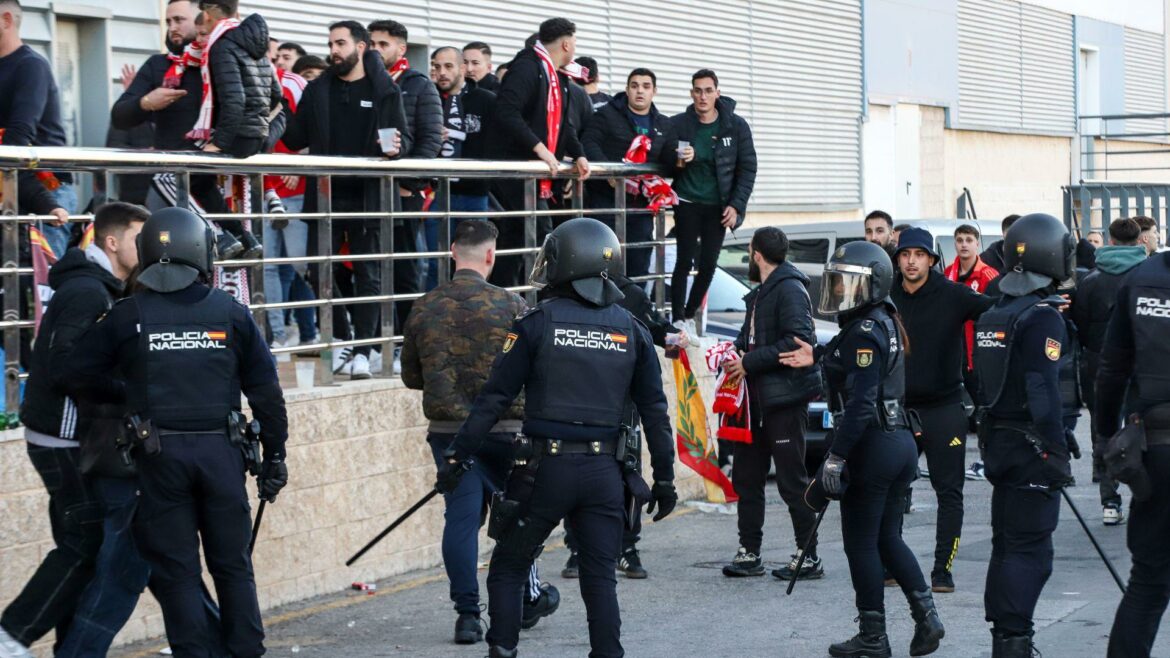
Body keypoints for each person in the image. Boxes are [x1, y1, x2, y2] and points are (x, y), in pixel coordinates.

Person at [441, 218, 678, 658]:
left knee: (509, 568)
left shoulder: (535, 323)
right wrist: (664, 479)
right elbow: (655, 413)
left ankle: (504, 650)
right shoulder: (633, 330)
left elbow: (493, 400)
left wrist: (456, 456)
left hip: (543, 472)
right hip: (607, 474)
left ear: (566, 262)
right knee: (599, 578)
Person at [58, 207, 288, 658]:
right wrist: (275, 455)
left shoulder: (128, 316)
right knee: (233, 567)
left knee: (178, 571)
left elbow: (74, 372)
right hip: (223, 454)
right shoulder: (232, 312)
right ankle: (246, 650)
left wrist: (129, 392)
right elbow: (266, 393)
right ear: (201, 252)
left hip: (158, 456)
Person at [780, 240, 945, 657]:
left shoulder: (866, 329)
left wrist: (836, 457)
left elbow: (860, 402)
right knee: (888, 537)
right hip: (898, 442)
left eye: (849, 284)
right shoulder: (881, 319)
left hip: (874, 445)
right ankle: (927, 617)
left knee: (860, 543)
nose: (840, 292)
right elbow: (843, 356)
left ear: (873, 285)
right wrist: (814, 354)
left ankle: (873, 636)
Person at [401, 220, 558, 644]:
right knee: (517, 517)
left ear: (453, 252)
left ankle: (468, 615)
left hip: (450, 433)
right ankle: (525, 599)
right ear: (491, 256)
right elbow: (537, 370)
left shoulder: (423, 306)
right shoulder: (512, 306)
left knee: (462, 519)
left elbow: (412, 377)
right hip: (508, 431)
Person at [0, 203, 145, 657]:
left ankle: (64, 646)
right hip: (63, 438)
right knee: (86, 542)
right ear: (112, 241)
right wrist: (130, 389)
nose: (149, 247)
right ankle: (12, 636)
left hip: (67, 435)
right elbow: (67, 367)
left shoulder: (99, 286)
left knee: (81, 543)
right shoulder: (88, 291)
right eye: (140, 238)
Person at [971, 213, 1076, 657]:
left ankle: (1006, 636)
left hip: (999, 440)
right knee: (1031, 550)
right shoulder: (1041, 318)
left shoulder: (996, 312)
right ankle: (1014, 641)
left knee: (1007, 544)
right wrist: (1056, 449)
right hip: (1031, 446)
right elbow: (1042, 390)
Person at [280, 20, 408, 380]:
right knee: (318, 268)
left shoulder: (384, 90)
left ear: (361, 47)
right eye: (330, 43)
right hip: (326, 196)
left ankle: (365, 350)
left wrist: (397, 148)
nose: (333, 50)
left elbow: (403, 140)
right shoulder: (318, 89)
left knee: (370, 275)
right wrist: (274, 105)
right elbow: (294, 138)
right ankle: (344, 336)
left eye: (340, 43)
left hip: (370, 197)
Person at [110, 0, 266, 259]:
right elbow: (120, 116)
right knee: (171, 261)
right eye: (168, 21)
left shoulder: (225, 55)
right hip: (173, 186)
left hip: (224, 180)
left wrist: (255, 143)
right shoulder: (158, 65)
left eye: (179, 20)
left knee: (236, 271)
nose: (172, 28)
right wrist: (147, 102)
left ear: (203, 19)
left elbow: (267, 105)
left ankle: (232, 237)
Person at [562, 269, 689, 580]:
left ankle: (626, 548)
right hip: (577, 401)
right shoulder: (564, 291)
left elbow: (657, 331)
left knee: (627, 472)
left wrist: (678, 338)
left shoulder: (627, 293)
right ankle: (578, 548)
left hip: (620, 402)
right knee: (573, 472)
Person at [717, 227, 823, 580]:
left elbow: (797, 342)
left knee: (792, 481)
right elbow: (750, 340)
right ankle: (749, 553)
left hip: (784, 401)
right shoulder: (761, 292)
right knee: (747, 479)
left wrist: (748, 362)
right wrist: (732, 355)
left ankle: (808, 556)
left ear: (756, 253)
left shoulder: (789, 288)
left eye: (749, 251)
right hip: (755, 404)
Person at [890, 228, 993, 592]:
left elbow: (996, 311)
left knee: (949, 491)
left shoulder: (952, 294)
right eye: (905, 254)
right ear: (898, 259)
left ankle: (941, 569)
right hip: (898, 409)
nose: (912, 261)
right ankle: (891, 563)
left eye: (919, 254)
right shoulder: (887, 296)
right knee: (891, 488)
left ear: (932, 260)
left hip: (944, 406)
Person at [1095, 224, 1170, 658]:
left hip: (1156, 447)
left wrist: (1106, 434)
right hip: (1155, 442)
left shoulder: (1141, 279)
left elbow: (1112, 368)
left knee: (1148, 580)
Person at [486, 17, 590, 288]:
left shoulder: (557, 75)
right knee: (539, 235)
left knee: (521, 240)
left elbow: (563, 123)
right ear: (567, 43)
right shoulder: (527, 66)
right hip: (516, 168)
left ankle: (513, 298)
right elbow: (506, 111)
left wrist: (578, 154)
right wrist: (540, 148)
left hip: (536, 174)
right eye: (575, 42)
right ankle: (533, 300)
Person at [368, 19, 442, 345]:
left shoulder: (419, 85)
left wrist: (410, 183)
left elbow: (430, 142)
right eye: (371, 44)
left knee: (406, 267)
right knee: (366, 267)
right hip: (368, 192)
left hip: (404, 193)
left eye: (383, 44)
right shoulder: (362, 81)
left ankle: (404, 339)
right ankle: (370, 338)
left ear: (401, 48)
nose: (375, 50)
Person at [1071, 217, 1146, 525]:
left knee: (1104, 430)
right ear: (1139, 241)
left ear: (1110, 241)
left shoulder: (1089, 281)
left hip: (1099, 361)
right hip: (1141, 363)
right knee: (1145, 428)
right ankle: (1144, 495)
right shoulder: (1146, 277)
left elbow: (1080, 326)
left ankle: (1109, 501)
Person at [670, 68, 756, 333]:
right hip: (686, 201)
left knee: (708, 264)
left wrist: (736, 205)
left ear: (717, 93)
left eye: (708, 91)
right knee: (684, 260)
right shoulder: (680, 123)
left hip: (718, 205)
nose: (702, 96)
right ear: (691, 93)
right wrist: (678, 160)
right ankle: (677, 317)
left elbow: (748, 168)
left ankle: (690, 311)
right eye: (697, 90)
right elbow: (664, 159)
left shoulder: (735, 125)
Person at [581, 67, 681, 279]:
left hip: (641, 207)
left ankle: (635, 308)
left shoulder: (664, 123)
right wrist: (610, 171)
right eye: (634, 86)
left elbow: (670, 161)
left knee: (639, 261)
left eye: (646, 86)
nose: (640, 91)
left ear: (655, 91)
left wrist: (684, 158)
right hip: (607, 203)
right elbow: (589, 143)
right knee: (604, 259)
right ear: (627, 90)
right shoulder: (606, 114)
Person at [425, 45, 496, 289]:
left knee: (476, 264)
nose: (441, 72)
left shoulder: (485, 100)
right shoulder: (428, 98)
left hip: (474, 194)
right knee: (435, 265)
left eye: (448, 66)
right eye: (436, 66)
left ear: (462, 69)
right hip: (437, 193)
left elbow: (495, 144)